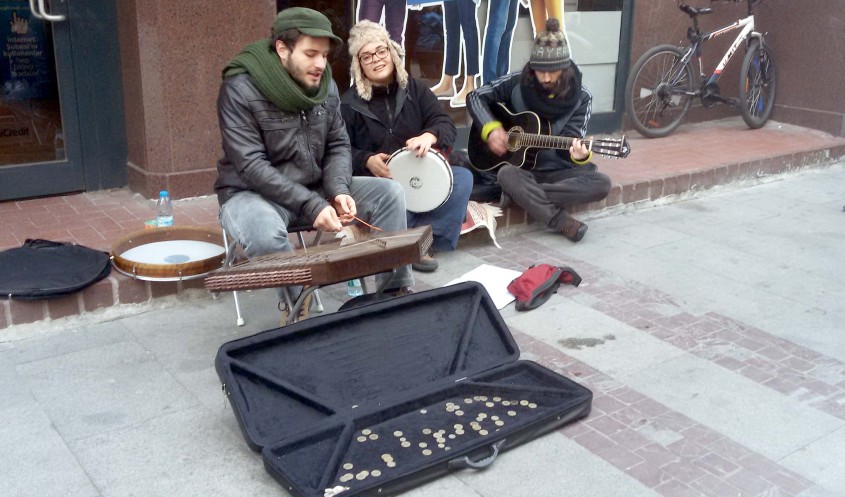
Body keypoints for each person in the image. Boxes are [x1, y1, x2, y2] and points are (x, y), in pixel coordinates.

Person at [214, 7, 414, 315]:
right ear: (282, 48)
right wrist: (312, 205)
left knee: (390, 193)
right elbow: (251, 165)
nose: (320, 64)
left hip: (315, 186)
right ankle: (298, 307)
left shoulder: (326, 86)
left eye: (324, 55)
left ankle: (394, 293)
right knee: (265, 232)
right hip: (251, 193)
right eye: (310, 54)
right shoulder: (240, 88)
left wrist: (338, 190)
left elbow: (337, 144)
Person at [341, 20, 473, 272]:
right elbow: (338, 151)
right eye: (366, 56)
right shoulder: (348, 104)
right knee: (391, 200)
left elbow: (444, 122)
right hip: (382, 181)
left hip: (419, 173)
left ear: (391, 52)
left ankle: (425, 242)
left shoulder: (415, 89)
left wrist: (430, 136)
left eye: (381, 51)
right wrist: (365, 159)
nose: (376, 60)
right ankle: (406, 244)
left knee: (463, 179)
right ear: (359, 66)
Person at [466, 18, 611, 242]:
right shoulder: (517, 81)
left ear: (564, 68)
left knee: (601, 183)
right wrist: (491, 128)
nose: (544, 77)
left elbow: (570, 142)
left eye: (552, 72)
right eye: (539, 70)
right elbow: (475, 96)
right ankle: (559, 221)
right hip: (521, 171)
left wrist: (579, 155)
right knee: (506, 174)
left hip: (556, 173)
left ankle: (521, 195)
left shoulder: (582, 98)